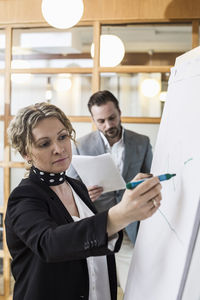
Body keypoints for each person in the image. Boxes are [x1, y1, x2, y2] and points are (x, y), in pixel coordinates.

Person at [5, 102, 161, 300]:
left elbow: (90, 243)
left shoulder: (77, 187)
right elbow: (49, 243)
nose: (59, 149)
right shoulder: (24, 197)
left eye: (63, 137)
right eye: (45, 143)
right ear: (26, 153)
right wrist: (120, 215)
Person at [67, 90, 153, 290]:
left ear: (120, 112)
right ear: (93, 120)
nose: (108, 125)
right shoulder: (81, 146)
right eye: (101, 121)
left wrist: (142, 185)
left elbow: (151, 178)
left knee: (138, 288)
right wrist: (84, 195)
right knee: (101, 290)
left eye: (112, 118)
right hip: (99, 231)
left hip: (132, 231)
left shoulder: (142, 142)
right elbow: (69, 187)